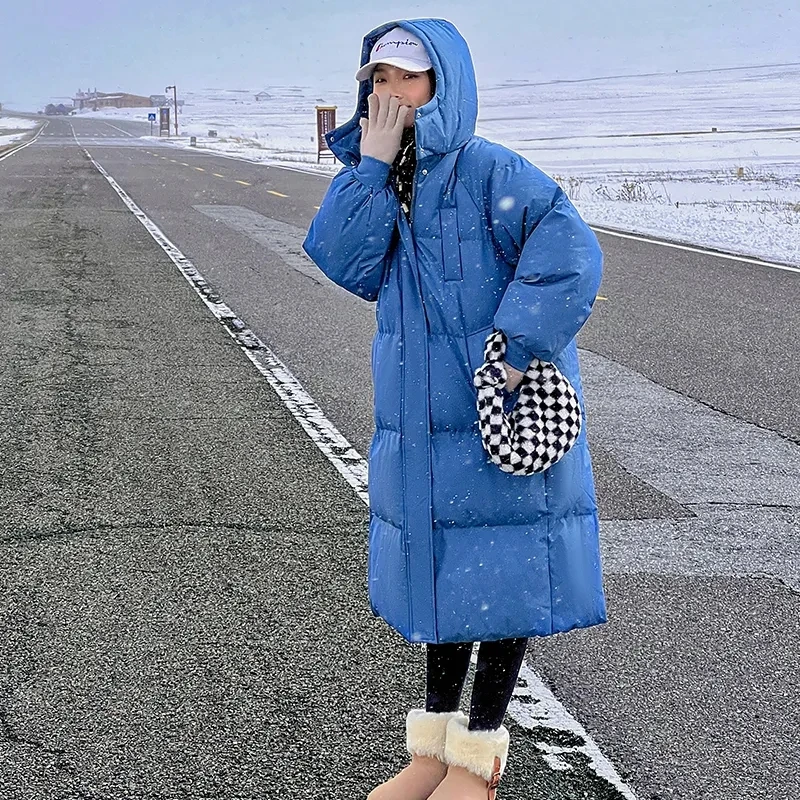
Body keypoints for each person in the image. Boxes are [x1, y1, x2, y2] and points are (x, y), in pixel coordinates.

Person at [303, 19, 606, 800]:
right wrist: (368, 168)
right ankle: (430, 753)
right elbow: (342, 258)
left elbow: (570, 250)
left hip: (494, 407)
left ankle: (478, 759)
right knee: (442, 577)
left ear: (445, 84)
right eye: (378, 78)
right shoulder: (382, 174)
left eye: (407, 77)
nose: (390, 93)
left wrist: (515, 346)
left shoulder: (489, 170)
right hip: (421, 419)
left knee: (501, 576)